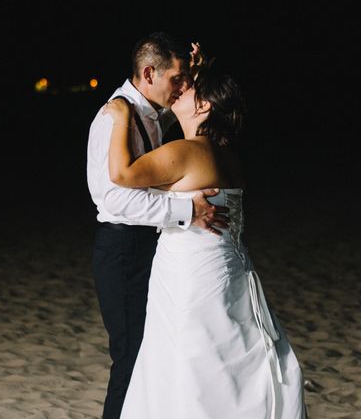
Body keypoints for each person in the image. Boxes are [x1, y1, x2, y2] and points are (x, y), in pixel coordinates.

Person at [103, 68, 307, 418]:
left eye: (188, 88)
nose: (179, 91)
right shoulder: (225, 153)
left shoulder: (187, 152)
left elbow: (122, 174)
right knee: (221, 365)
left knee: (191, 366)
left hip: (192, 279)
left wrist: (121, 115)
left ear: (205, 106)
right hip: (230, 273)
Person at [86, 32, 228, 419]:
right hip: (122, 251)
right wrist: (187, 210)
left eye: (186, 80)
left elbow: (181, 112)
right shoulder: (114, 116)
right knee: (130, 359)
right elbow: (113, 198)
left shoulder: (147, 108)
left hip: (146, 247)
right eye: (176, 80)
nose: (183, 88)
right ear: (149, 73)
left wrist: (198, 73)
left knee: (153, 357)